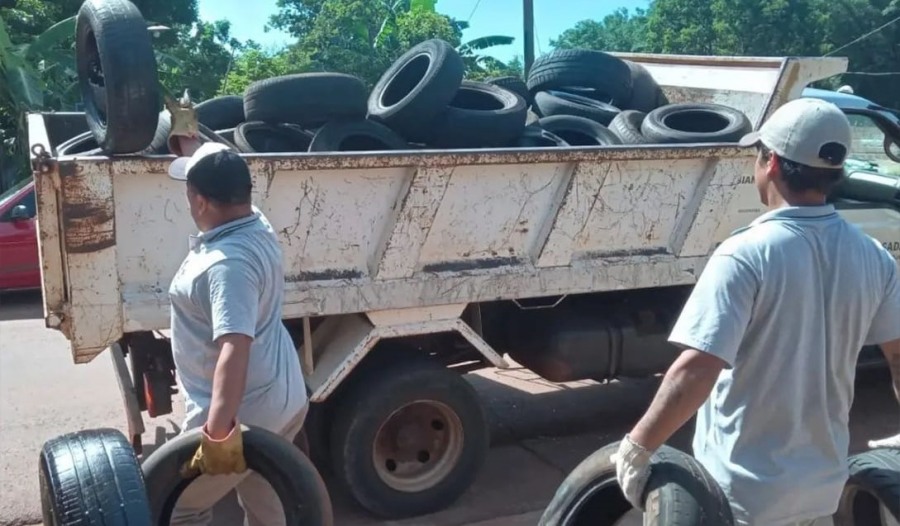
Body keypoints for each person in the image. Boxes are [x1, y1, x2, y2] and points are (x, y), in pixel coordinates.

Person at [613, 97, 900, 526]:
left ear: (772, 163)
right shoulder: (874, 256)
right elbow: (898, 357)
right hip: (822, 490)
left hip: (744, 497)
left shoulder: (744, 254)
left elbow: (697, 369)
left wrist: (637, 448)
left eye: (758, 154)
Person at [165, 140, 309, 526]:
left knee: (181, 508)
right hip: (282, 396)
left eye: (189, 193)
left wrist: (216, 435)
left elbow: (235, 346)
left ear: (199, 202)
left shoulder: (227, 265)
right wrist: (196, 147)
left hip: (246, 414)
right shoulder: (256, 222)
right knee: (266, 507)